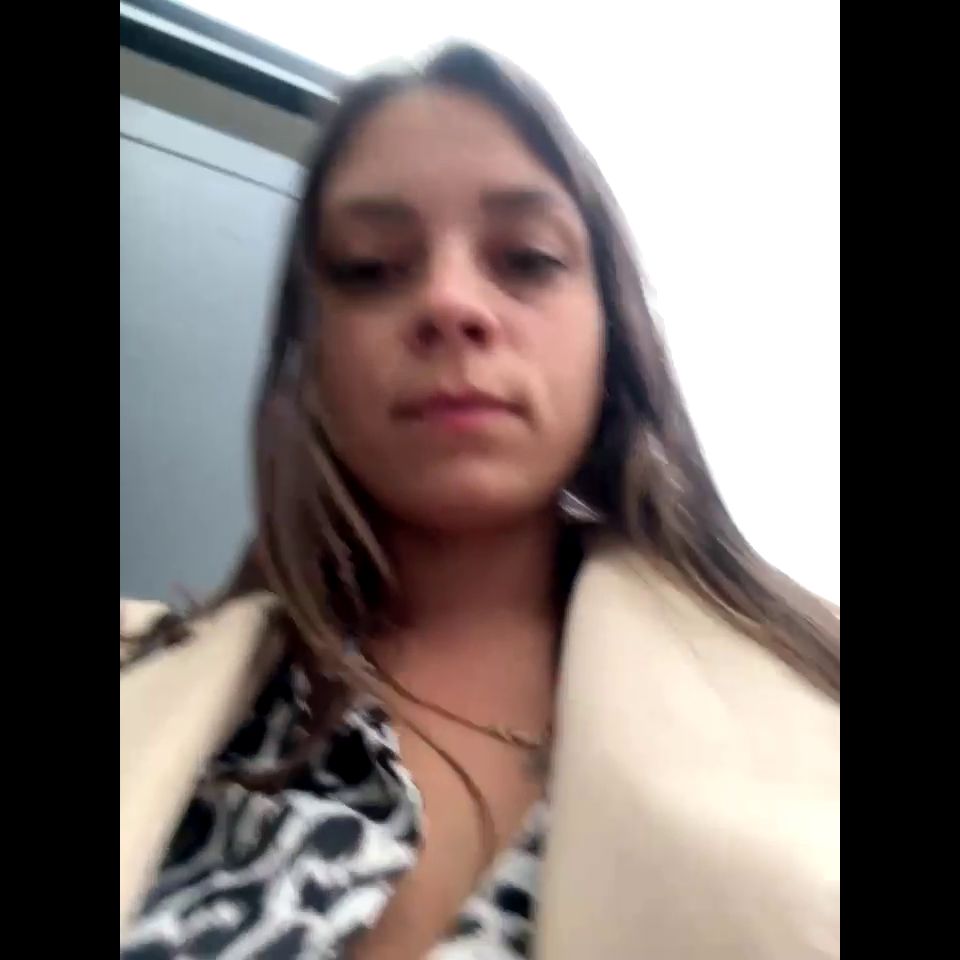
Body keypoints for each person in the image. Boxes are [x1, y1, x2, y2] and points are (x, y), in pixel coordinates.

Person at [119, 43, 839, 960]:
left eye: (528, 258)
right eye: (372, 267)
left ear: (612, 332)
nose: (449, 301)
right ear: (313, 351)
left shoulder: (815, 682)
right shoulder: (144, 689)